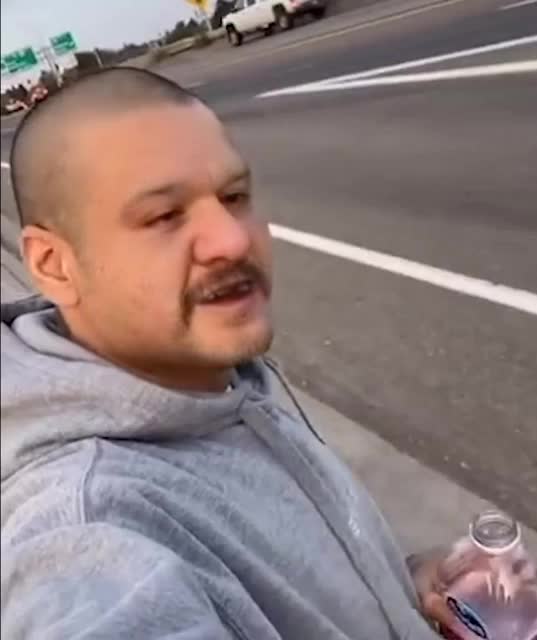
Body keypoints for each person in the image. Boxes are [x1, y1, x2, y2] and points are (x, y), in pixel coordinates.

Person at [1, 67, 436, 639]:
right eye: (164, 216)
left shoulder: (217, 385)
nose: (232, 239)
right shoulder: (88, 521)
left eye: (234, 197)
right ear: (54, 265)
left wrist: (408, 594)